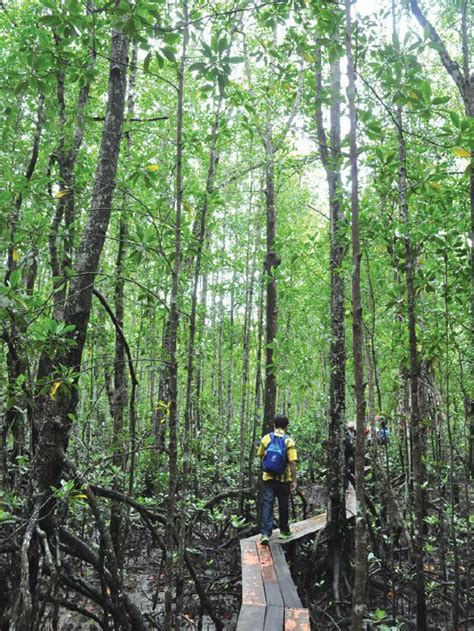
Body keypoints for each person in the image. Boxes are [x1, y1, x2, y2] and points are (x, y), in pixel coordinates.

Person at [258, 415, 297, 545]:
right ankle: (284, 531)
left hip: (268, 478)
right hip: (283, 479)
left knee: (268, 504)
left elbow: (261, 455)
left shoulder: (266, 438)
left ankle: (265, 533)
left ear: (274, 425)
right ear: (286, 426)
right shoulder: (289, 441)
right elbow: (292, 462)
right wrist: (294, 480)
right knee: (283, 504)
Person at [344, 421, 356, 490]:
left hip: (353, 450)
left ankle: (352, 472)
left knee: (352, 462)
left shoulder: (355, 432)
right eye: (350, 428)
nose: (351, 429)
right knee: (348, 463)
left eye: (352, 428)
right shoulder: (346, 434)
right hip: (348, 450)